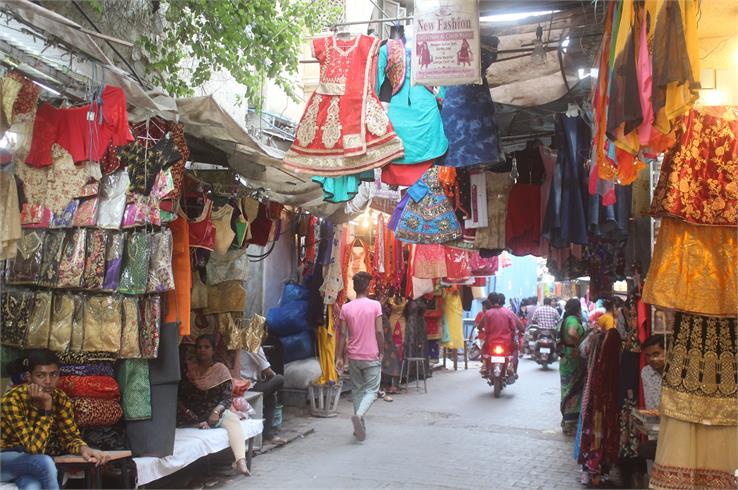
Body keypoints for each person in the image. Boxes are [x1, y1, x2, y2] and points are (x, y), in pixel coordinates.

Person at [1, 350, 110, 490]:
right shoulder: (13, 400)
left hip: (30, 462)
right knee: (45, 462)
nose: (48, 381)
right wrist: (46, 408)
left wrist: (84, 448)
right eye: (41, 375)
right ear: (29, 377)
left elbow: (70, 438)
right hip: (6, 458)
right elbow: (34, 449)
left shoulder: (61, 398)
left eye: (53, 375)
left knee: (32, 486)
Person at [178, 335, 250, 475]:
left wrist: (216, 412)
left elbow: (227, 398)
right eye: (199, 347)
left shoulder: (220, 369)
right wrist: (192, 416)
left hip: (216, 413)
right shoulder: (189, 370)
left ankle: (241, 460)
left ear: (213, 350)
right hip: (192, 414)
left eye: (206, 347)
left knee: (233, 420)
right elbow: (180, 397)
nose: (202, 350)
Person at [336, 272, 384, 442]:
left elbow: (342, 334)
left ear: (354, 288)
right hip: (371, 354)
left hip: (353, 356)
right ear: (368, 287)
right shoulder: (375, 305)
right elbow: (379, 331)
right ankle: (359, 415)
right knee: (372, 390)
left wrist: (339, 357)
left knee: (357, 390)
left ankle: (359, 426)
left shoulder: (346, 308)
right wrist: (382, 350)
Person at [240, 347, 286, 446]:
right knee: (279, 379)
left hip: (246, 384)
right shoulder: (252, 344)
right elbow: (268, 371)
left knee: (270, 397)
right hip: (248, 386)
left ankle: (266, 434)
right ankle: (267, 435)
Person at [558, 299, 587, 435]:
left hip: (566, 358)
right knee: (573, 390)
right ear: (578, 309)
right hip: (573, 359)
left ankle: (566, 422)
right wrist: (578, 344)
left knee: (567, 390)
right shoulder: (573, 320)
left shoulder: (565, 319)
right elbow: (572, 332)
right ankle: (571, 424)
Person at [481, 293, 522, 374]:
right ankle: (511, 365)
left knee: (484, 349)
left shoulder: (488, 313)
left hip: (491, 342)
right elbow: (514, 328)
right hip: (506, 342)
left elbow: (486, 329)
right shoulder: (508, 312)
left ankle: (485, 365)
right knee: (515, 350)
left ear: (489, 301)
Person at [641, 335, 665, 410]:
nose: (651, 359)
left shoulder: (678, 373)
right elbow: (650, 406)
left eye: (656, 354)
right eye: (648, 355)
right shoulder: (646, 372)